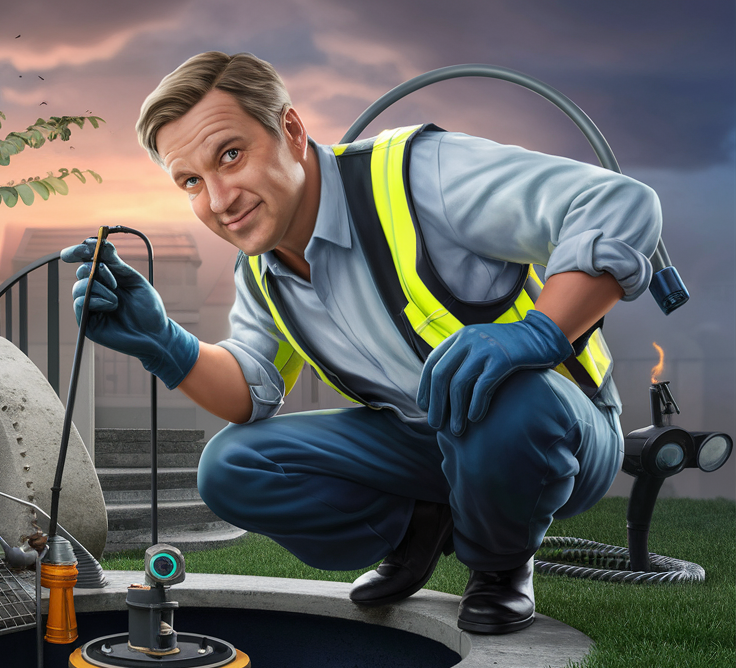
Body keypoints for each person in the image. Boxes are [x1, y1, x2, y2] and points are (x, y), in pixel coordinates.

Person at [61, 52, 658, 634]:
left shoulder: (420, 174)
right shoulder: (262, 270)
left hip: (557, 428)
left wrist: (535, 334)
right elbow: (250, 390)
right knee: (231, 466)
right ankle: (419, 529)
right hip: (424, 441)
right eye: (192, 180)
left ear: (290, 129)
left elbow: (619, 202)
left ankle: (499, 567)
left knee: (508, 397)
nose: (218, 201)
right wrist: (159, 341)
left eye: (232, 155)